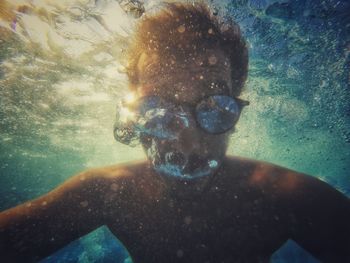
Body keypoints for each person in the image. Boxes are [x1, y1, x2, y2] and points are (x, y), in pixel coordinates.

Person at [1, 2, 349, 263]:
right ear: (133, 112)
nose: (187, 145)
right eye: (157, 110)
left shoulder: (284, 196)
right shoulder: (106, 191)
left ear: (236, 110)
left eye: (214, 109)